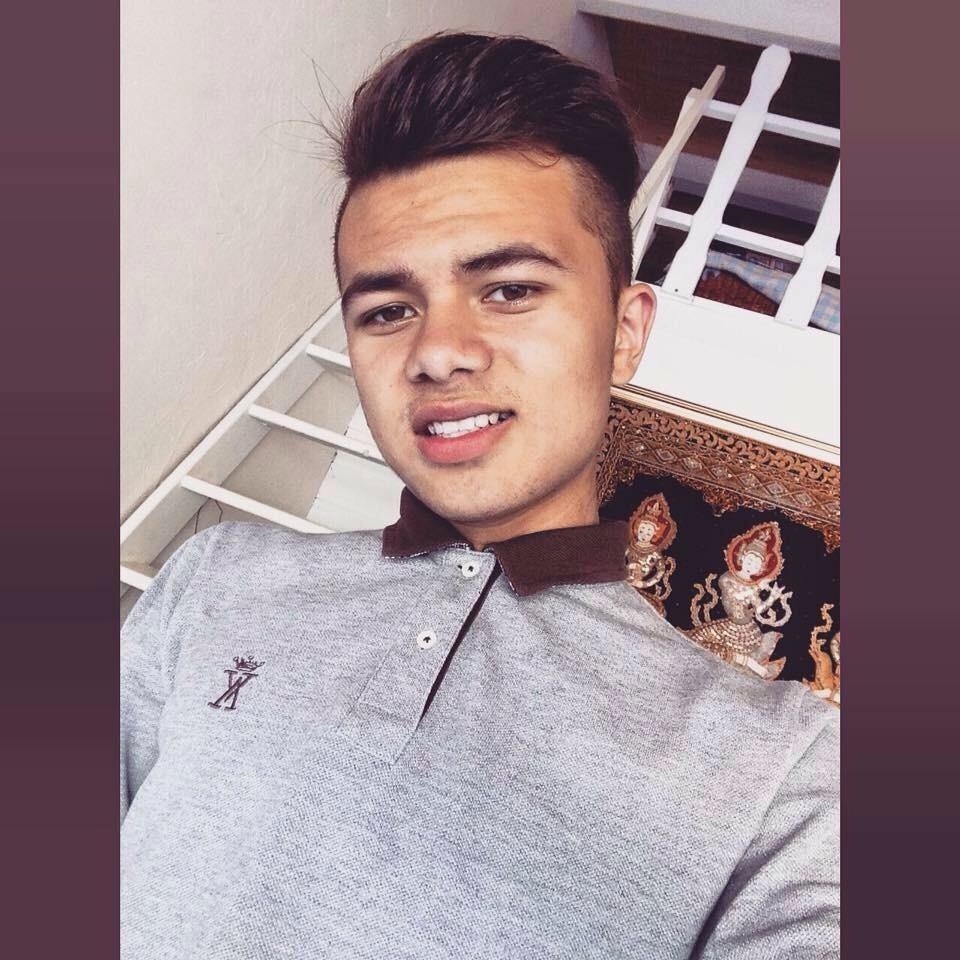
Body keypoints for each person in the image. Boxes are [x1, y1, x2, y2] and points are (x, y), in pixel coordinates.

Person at [120, 32, 839, 959]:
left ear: (624, 333)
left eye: (508, 289)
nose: (437, 351)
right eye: (387, 310)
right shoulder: (218, 574)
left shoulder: (784, 775)